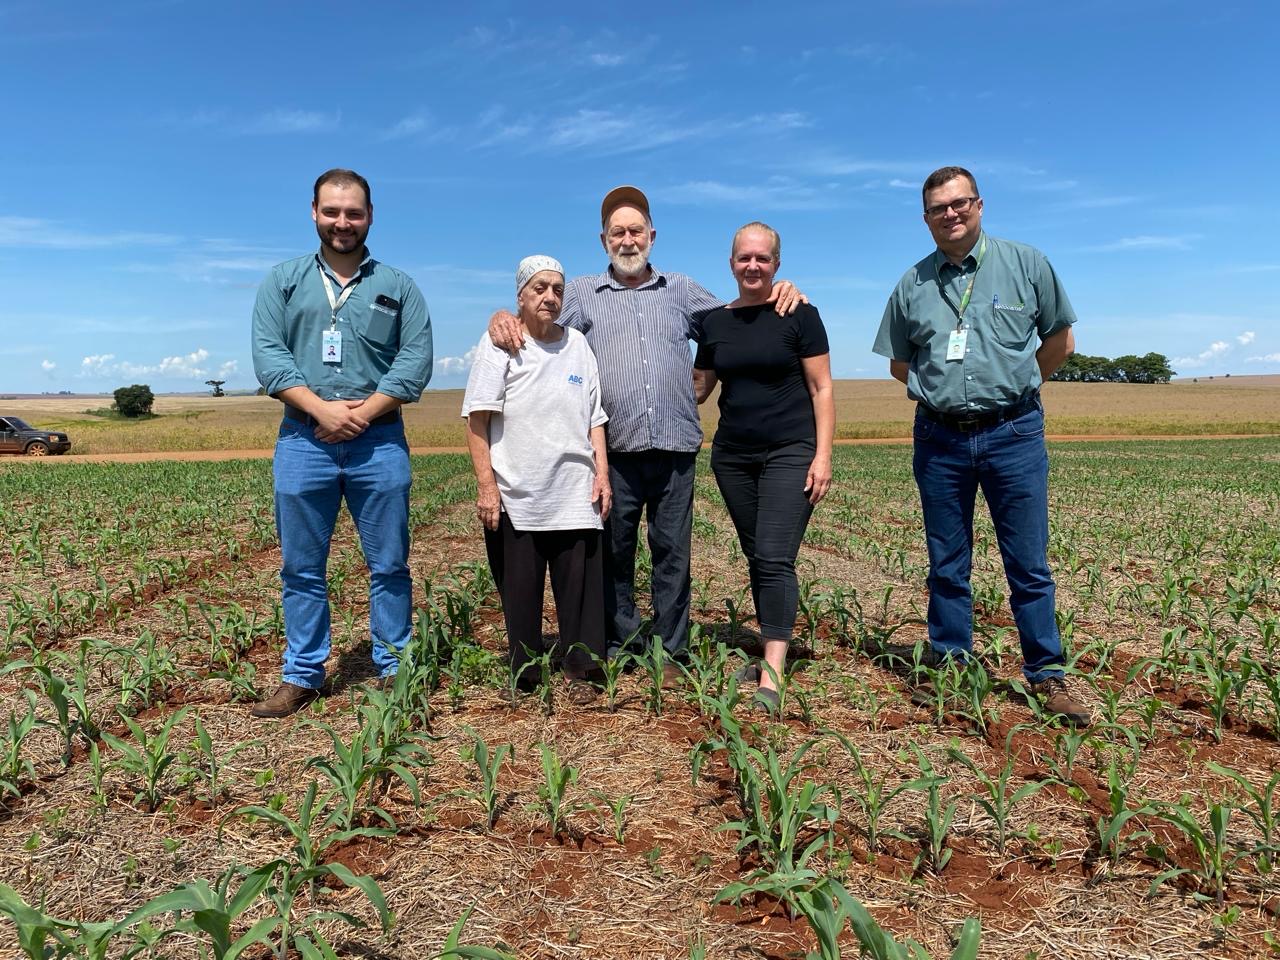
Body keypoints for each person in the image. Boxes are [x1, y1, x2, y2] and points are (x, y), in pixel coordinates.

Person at [488, 187, 804, 682]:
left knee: (672, 555)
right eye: (619, 232)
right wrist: (501, 317)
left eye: (637, 230)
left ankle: (673, 652)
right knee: (614, 555)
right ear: (603, 240)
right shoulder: (585, 294)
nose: (628, 240)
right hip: (614, 452)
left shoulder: (680, 289)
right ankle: (625, 642)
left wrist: (784, 292)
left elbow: (738, 320)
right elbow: (537, 324)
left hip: (676, 447)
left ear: (652, 236)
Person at [872, 165, 1089, 726]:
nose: (950, 214)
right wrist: (935, 392)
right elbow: (901, 361)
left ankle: (1047, 675)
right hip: (939, 437)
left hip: (1013, 434)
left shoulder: (1026, 264)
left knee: (1029, 564)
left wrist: (1016, 386)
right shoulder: (912, 283)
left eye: (959, 203)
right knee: (947, 561)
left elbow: (1060, 340)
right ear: (925, 219)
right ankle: (949, 667)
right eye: (938, 208)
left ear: (979, 205)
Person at [250, 168, 432, 718]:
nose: (342, 222)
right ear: (313, 212)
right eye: (332, 211)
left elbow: (414, 361)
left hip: (380, 444)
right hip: (303, 443)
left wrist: (363, 413)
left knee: (391, 564)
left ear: (370, 216)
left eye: (353, 212)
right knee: (301, 568)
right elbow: (269, 357)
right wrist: (322, 410)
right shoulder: (281, 282)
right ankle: (302, 674)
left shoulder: (398, 287)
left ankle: (394, 666)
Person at [693, 222, 834, 714]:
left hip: (790, 450)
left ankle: (771, 673)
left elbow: (822, 389)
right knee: (759, 555)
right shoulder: (713, 322)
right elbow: (698, 387)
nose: (753, 266)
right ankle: (771, 646)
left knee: (775, 556)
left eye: (763, 258)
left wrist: (823, 455)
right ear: (730, 263)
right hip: (732, 456)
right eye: (743, 258)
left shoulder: (799, 313)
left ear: (777, 264)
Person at [464, 256, 611, 701]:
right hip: (517, 493)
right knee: (520, 592)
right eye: (539, 288)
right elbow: (477, 419)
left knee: (582, 593)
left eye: (557, 289)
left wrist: (602, 472)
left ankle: (582, 671)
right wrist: (487, 486)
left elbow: (595, 416)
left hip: (574, 490)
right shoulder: (501, 344)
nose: (550, 297)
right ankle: (525, 673)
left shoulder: (579, 345)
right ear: (521, 296)